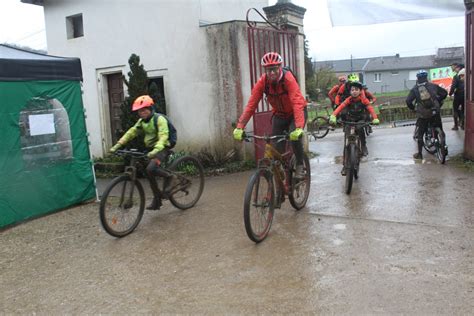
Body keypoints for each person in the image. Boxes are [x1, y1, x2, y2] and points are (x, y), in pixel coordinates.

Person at [233, 52, 307, 178]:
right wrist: (240, 126)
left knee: (294, 139)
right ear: (265, 70)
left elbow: (297, 102)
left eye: (274, 69)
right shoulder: (263, 82)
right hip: (279, 115)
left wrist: (299, 127)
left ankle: (300, 165)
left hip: (296, 114)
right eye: (268, 70)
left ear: (279, 67)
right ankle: (281, 175)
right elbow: (251, 105)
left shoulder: (288, 79)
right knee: (276, 147)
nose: (272, 73)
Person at [109, 95, 175, 210]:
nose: (142, 112)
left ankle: (170, 177)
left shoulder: (159, 119)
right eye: (139, 111)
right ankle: (157, 199)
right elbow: (131, 132)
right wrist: (117, 145)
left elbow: (163, 136)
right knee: (148, 172)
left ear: (151, 108)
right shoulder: (141, 122)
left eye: (144, 109)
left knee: (151, 169)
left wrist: (156, 150)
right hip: (151, 147)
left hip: (164, 144)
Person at [329, 81, 380, 174]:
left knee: (360, 129)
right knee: (346, 143)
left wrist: (375, 118)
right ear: (350, 92)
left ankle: (363, 146)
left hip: (360, 119)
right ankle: (345, 166)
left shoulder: (363, 100)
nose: (354, 92)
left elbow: (370, 108)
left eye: (356, 90)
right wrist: (333, 115)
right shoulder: (348, 99)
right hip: (350, 120)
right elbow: (340, 107)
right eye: (352, 90)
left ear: (360, 91)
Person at [406, 70, 448, 160]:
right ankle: (443, 146)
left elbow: (408, 101)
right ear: (426, 77)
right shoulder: (433, 85)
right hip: (434, 111)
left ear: (417, 78)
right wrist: (438, 100)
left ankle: (420, 154)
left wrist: (413, 108)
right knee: (440, 129)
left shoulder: (415, 89)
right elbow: (444, 93)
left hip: (423, 113)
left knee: (420, 133)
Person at [449, 63, 465, 130]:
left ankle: (456, 125)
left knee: (455, 110)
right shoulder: (466, 74)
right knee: (464, 110)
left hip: (458, 95)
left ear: (458, 68)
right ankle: (462, 124)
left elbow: (453, 87)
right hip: (465, 95)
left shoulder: (456, 76)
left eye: (455, 68)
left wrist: (450, 94)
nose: (454, 69)